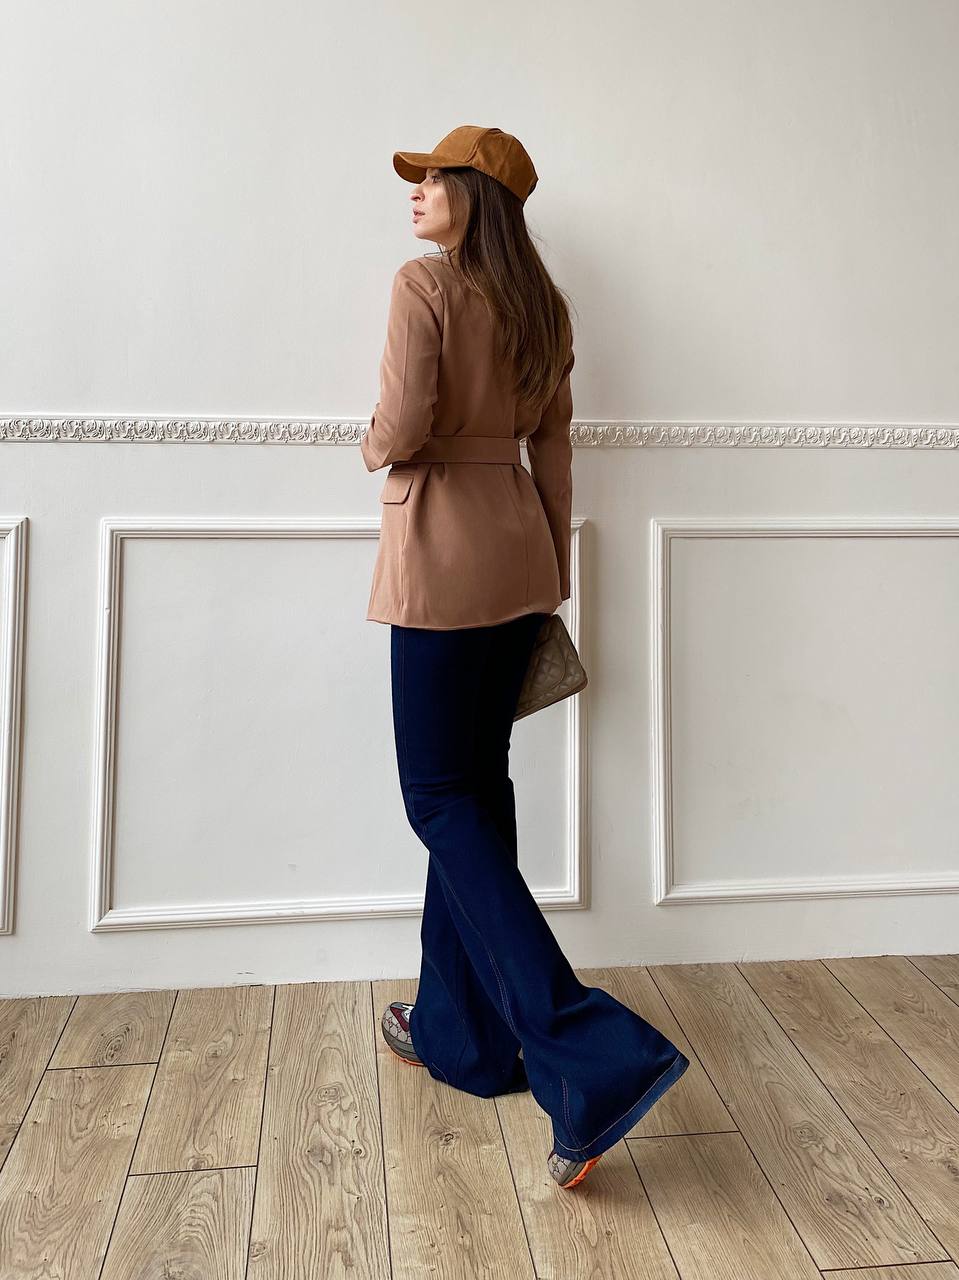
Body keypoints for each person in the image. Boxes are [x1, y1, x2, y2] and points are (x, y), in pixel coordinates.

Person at [363, 125, 689, 1190]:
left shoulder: (423, 286)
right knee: (476, 792)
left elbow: (403, 421)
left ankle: (589, 1055)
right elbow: (552, 447)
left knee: (437, 799)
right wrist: (549, 566)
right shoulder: (543, 307)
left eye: (434, 177)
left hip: (439, 556)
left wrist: (371, 444)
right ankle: (461, 1035)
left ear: (478, 194)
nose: (417, 192)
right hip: (515, 556)